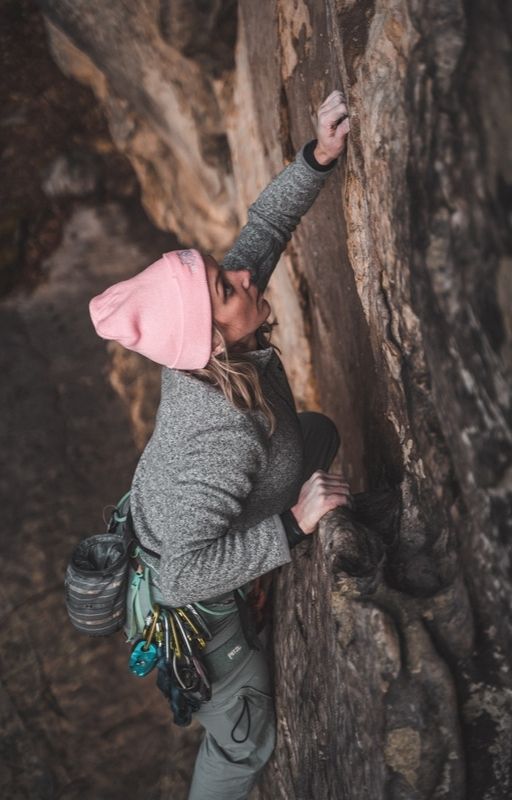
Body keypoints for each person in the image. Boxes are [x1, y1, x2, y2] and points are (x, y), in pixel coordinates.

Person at [89, 90, 351, 800]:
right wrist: (293, 527)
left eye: (221, 272)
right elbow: (179, 577)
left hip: (192, 523)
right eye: (226, 286)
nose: (242, 277)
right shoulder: (218, 435)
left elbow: (263, 229)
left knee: (318, 434)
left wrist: (318, 157)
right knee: (245, 742)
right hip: (192, 615)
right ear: (210, 334)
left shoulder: (212, 335)